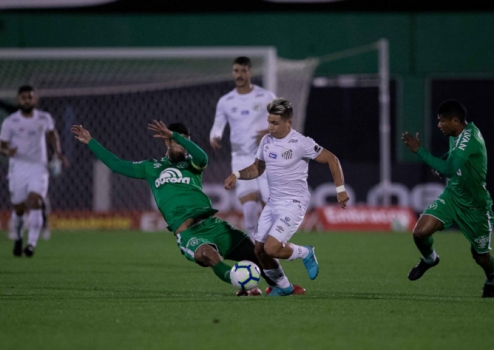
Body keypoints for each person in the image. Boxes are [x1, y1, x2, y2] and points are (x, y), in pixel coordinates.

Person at [71, 121, 306, 296]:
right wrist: (91, 141)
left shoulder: (192, 165)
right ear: (166, 142)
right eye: (175, 140)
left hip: (213, 225)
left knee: (259, 251)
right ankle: (241, 284)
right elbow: (117, 165)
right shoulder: (151, 167)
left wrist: (178, 136)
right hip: (189, 233)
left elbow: (202, 157)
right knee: (208, 256)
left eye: (185, 141)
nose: (182, 146)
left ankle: (281, 286)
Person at [224, 97, 350, 296]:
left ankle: (306, 252)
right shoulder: (266, 141)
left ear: (288, 122)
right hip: (273, 203)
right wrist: (237, 175)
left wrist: (340, 189)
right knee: (259, 250)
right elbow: (258, 168)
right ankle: (284, 287)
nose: (270, 127)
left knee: (272, 248)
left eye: (275, 123)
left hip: (294, 203)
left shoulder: (301, 143)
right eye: (269, 122)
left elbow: (332, 159)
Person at [402, 99, 494, 298]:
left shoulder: (470, 138)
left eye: (442, 121)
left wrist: (421, 151)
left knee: (481, 257)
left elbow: (451, 169)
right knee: (420, 232)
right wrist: (441, 159)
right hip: (453, 196)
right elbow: (453, 157)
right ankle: (430, 259)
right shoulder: (457, 132)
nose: (439, 125)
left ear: (455, 121)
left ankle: (491, 278)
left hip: (476, 206)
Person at [210, 56, 276, 238]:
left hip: (265, 157)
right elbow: (218, 125)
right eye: (236, 71)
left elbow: (283, 120)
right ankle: (255, 246)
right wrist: (214, 136)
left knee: (269, 203)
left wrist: (270, 130)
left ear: (250, 72)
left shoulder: (266, 96)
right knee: (248, 204)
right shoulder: (226, 101)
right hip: (240, 157)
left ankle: (272, 243)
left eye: (243, 71)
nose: (239, 74)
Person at [0, 85, 67, 257]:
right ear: (18, 100)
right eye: (23, 98)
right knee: (19, 208)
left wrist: (58, 152)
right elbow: (2, 145)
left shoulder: (44, 118)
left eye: (30, 97)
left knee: (36, 200)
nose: (27, 100)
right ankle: (18, 238)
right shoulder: (10, 122)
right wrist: (8, 152)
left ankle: (31, 244)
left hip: (39, 167)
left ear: (35, 99)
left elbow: (52, 133)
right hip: (18, 168)